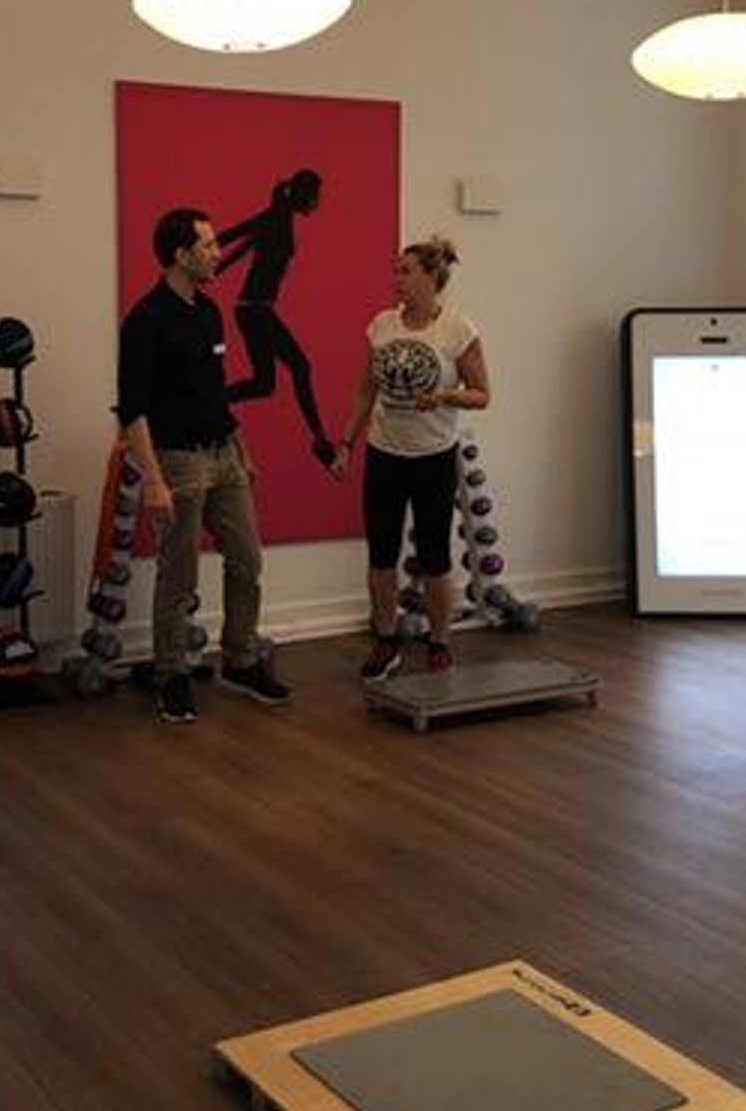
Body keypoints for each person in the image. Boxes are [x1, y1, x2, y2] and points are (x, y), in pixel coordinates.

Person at [117, 206, 291, 724]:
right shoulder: (146, 320)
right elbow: (132, 409)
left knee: (247, 560)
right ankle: (170, 674)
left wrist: (243, 452)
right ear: (181, 254)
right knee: (180, 574)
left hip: (223, 455)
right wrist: (153, 479)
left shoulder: (210, 312)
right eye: (209, 245)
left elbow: (216, 393)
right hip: (177, 460)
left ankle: (240, 659)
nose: (219, 253)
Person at [329, 236, 490, 679]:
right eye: (395, 271)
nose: (396, 279)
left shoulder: (457, 330)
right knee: (381, 555)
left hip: (433, 457)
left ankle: (439, 644)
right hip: (385, 454)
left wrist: (444, 396)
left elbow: (482, 394)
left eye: (406, 271)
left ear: (431, 277)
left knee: (435, 557)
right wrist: (346, 443)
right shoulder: (382, 325)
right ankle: (386, 641)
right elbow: (365, 391)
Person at [217, 168, 336, 466]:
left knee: (264, 384)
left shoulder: (279, 219)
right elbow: (233, 239)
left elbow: (244, 245)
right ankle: (320, 439)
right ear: (303, 196)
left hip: (255, 310)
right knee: (300, 366)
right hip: (254, 310)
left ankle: (211, 399)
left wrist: (219, 267)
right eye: (315, 197)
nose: (317, 203)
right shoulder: (272, 220)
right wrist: (210, 266)